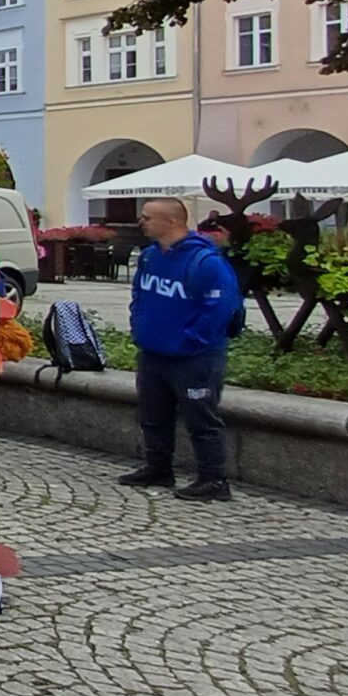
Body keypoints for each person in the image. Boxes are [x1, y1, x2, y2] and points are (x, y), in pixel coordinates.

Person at [118, 195, 244, 501]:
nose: (141, 222)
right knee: (153, 415)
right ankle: (158, 468)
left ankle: (214, 480)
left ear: (172, 221)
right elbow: (139, 294)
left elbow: (220, 307)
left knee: (201, 418)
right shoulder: (150, 256)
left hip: (194, 357)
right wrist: (139, 326)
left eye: (148, 217)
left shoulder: (205, 262)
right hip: (153, 352)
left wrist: (192, 340)